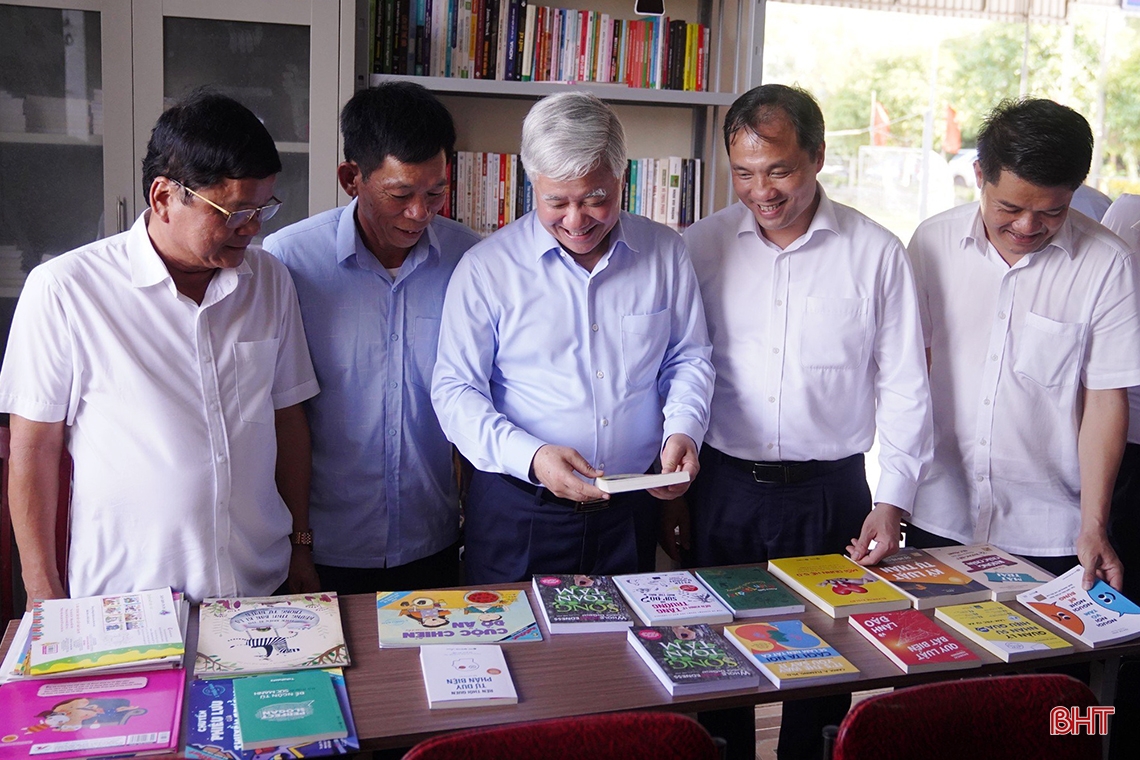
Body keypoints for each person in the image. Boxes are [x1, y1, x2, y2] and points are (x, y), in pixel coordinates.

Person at [681, 83, 933, 760]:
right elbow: (674, 368)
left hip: (833, 493)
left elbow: (907, 384)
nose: (761, 191)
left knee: (823, 670)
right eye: (744, 173)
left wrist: (894, 501)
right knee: (715, 666)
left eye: (780, 170)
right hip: (724, 488)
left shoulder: (875, 253)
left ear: (818, 157)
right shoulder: (699, 249)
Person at [0, 91, 320, 604]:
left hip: (260, 586)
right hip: (127, 603)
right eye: (235, 211)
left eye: (263, 208)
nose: (254, 228)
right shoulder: (66, 289)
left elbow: (288, 419)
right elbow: (34, 450)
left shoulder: (270, 281)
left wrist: (301, 544)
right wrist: (41, 592)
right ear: (163, 198)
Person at [431, 92, 714, 585]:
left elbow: (686, 358)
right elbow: (455, 391)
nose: (577, 221)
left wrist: (683, 429)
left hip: (630, 508)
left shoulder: (665, 253)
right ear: (531, 183)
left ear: (621, 178)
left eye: (595, 199)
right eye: (556, 202)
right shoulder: (487, 268)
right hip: (519, 509)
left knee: (626, 652)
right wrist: (534, 458)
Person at [905, 99, 1140, 595]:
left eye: (1052, 211)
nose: (1028, 227)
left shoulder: (1106, 264)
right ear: (978, 176)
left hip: (1052, 529)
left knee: (1043, 673)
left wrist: (1094, 524)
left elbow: (1105, 399)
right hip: (939, 512)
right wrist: (894, 494)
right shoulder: (932, 244)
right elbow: (908, 375)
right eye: (1009, 208)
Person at [263, 83, 479, 595]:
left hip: (436, 538)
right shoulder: (287, 262)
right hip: (322, 544)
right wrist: (298, 542)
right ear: (350, 179)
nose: (421, 214)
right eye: (401, 194)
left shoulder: (471, 261)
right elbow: (276, 411)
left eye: (435, 193)